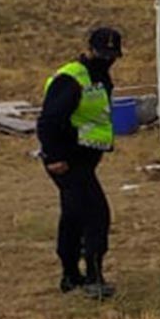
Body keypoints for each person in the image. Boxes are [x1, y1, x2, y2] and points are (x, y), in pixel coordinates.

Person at [37, 26, 122, 299]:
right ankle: (93, 278)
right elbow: (49, 121)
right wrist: (54, 157)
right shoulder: (72, 78)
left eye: (112, 54)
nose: (108, 58)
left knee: (73, 215)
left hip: (84, 158)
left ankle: (71, 275)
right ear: (90, 50)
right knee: (96, 214)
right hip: (67, 160)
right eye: (103, 53)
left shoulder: (100, 76)